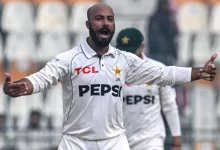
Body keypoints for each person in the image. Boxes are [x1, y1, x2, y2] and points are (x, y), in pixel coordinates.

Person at [2, 3, 217, 150]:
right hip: (76, 142)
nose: (105, 23)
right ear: (87, 25)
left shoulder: (125, 60)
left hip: (113, 142)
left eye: (110, 19)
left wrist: (197, 72)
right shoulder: (69, 59)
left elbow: (164, 73)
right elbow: (43, 78)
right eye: (99, 19)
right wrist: (24, 85)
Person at [116, 28, 181, 150]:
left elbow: (169, 105)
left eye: (130, 51)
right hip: (120, 139)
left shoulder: (158, 69)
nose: (127, 56)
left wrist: (176, 139)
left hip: (151, 139)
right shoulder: (111, 71)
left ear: (142, 47)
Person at [147, 0, 179, 66]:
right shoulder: (165, 18)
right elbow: (171, 33)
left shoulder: (154, 17)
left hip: (156, 51)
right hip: (164, 52)